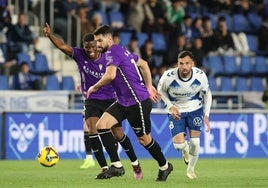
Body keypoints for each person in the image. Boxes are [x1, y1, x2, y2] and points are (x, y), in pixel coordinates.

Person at [42, 23, 143, 180]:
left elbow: (130, 67)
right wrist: (49, 35)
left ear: (97, 45)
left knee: (118, 134)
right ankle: (105, 168)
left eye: (92, 47)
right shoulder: (79, 54)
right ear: (84, 46)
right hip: (92, 100)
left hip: (111, 98)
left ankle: (135, 163)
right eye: (86, 47)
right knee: (92, 129)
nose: (89, 50)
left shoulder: (108, 56)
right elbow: (62, 46)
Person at [87, 24, 173, 181]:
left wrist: (94, 86)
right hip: (123, 102)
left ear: (109, 39)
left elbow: (111, 75)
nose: (97, 44)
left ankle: (165, 166)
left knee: (144, 140)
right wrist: (148, 86)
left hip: (137, 102)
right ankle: (117, 166)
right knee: (102, 125)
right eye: (96, 41)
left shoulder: (113, 52)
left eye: (100, 40)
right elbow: (144, 64)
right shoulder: (122, 51)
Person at [157, 50, 212, 179]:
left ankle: (191, 170)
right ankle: (185, 149)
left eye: (187, 63)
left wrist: (207, 114)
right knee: (179, 146)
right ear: (178, 63)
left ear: (192, 63)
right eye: (181, 64)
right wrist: (170, 106)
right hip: (177, 110)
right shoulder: (168, 76)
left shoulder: (200, 76)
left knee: (195, 142)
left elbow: (207, 93)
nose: (184, 67)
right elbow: (161, 91)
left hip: (195, 109)